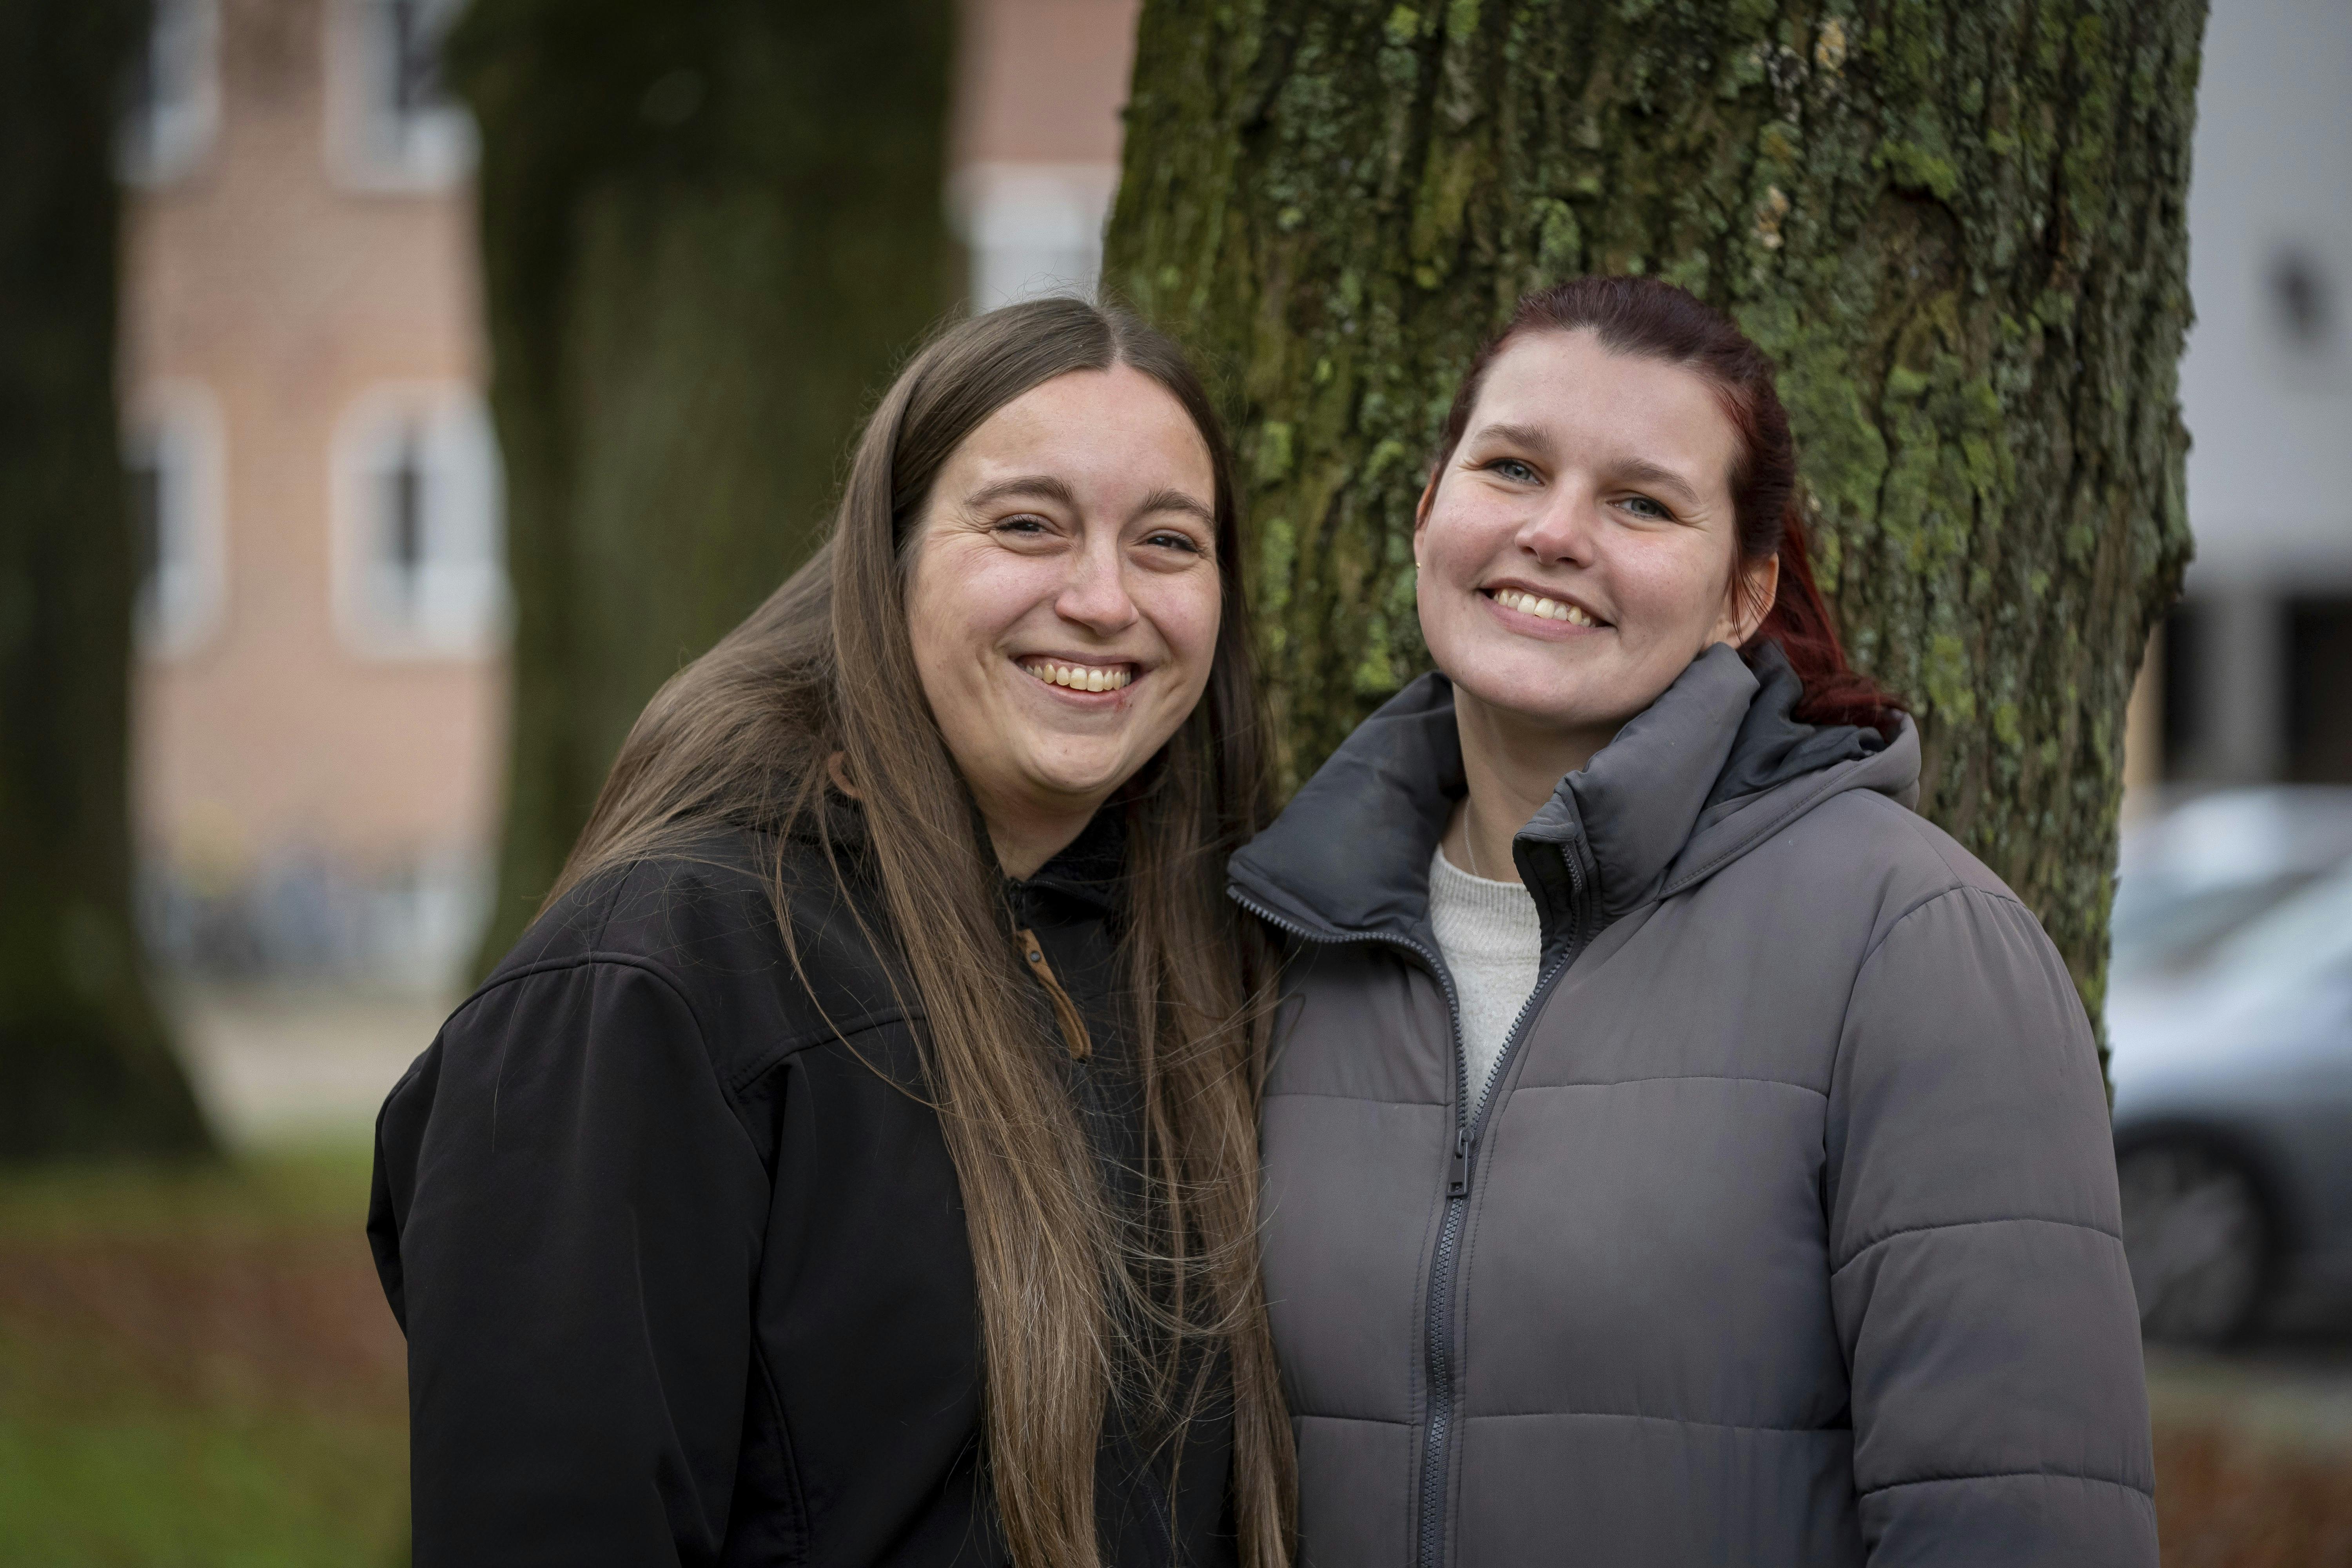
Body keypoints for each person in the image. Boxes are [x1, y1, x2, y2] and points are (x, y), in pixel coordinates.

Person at [1230, 277, 2155, 1566]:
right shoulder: (1281, 939)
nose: (1556, 533)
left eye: (1642, 503)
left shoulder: (1914, 943)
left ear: (1743, 593)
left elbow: (2017, 1523)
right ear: (1426, 507)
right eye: (1511, 468)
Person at [368, 298, 1294, 1568]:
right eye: (1028, 524)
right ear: (892, 558)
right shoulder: (661, 977)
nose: (1103, 598)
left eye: (1169, 543)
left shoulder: (1202, 962)